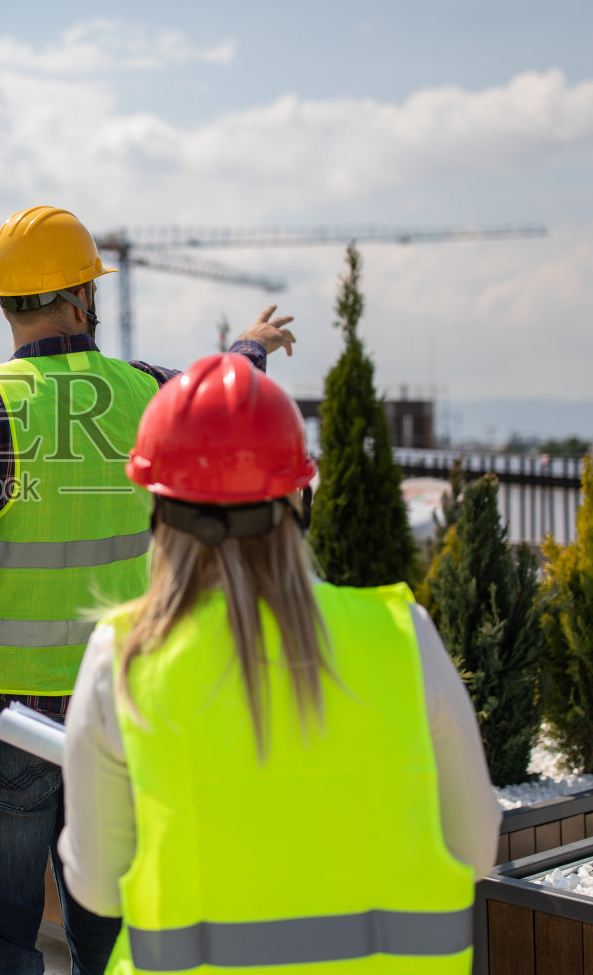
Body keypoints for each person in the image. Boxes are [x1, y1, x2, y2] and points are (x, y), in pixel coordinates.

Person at [0, 206, 298, 974]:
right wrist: (251, 348)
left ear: (4, 304)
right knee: (116, 941)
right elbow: (220, 392)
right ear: (84, 298)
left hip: (5, 718)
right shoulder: (147, 393)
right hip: (125, 713)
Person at [58, 352, 501, 973]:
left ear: (160, 514)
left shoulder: (125, 657)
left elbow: (97, 887)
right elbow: (476, 848)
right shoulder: (403, 637)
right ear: (299, 502)